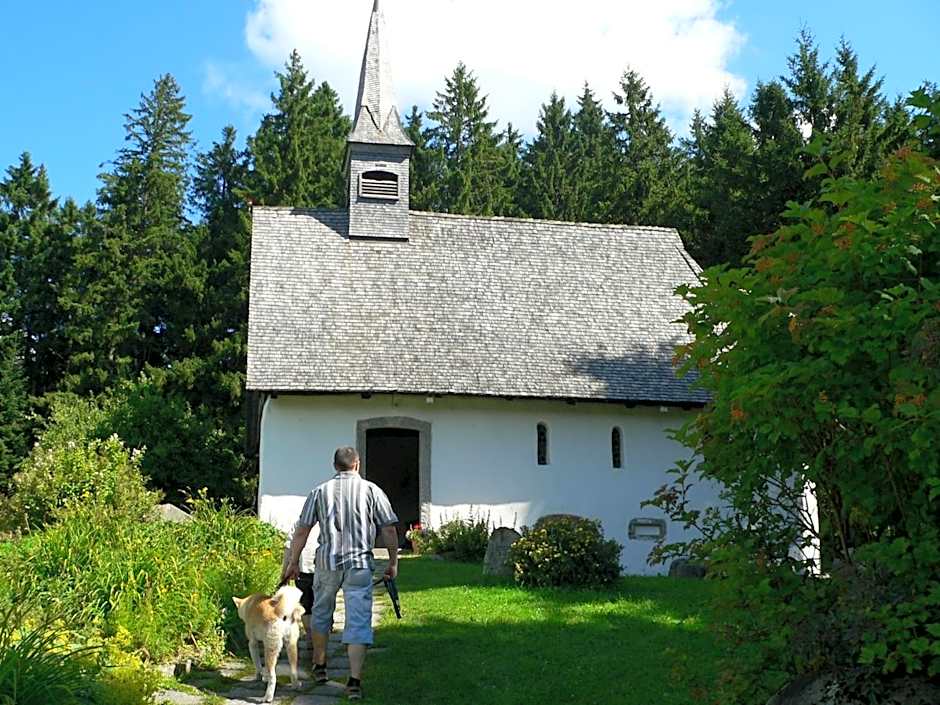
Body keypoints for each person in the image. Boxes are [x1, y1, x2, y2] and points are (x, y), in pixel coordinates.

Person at [281, 446, 399, 701]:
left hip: (327, 562)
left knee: (321, 612)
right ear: (357, 464)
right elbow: (388, 529)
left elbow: (302, 530)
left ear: (335, 466)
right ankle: (354, 681)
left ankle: (320, 666)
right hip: (358, 563)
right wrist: (392, 562)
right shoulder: (371, 490)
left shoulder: (319, 492)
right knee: (358, 619)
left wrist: (292, 561)